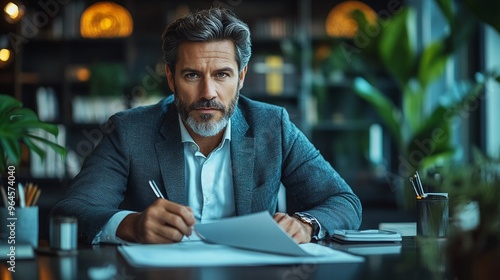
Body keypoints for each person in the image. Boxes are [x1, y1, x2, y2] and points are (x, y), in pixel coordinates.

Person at [50, 7, 362, 245]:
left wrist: (306, 225)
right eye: (192, 75)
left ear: (241, 77)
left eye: (222, 75)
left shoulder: (273, 126)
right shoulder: (130, 131)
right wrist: (132, 225)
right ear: (171, 78)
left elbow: (343, 202)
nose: (208, 93)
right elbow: (70, 212)